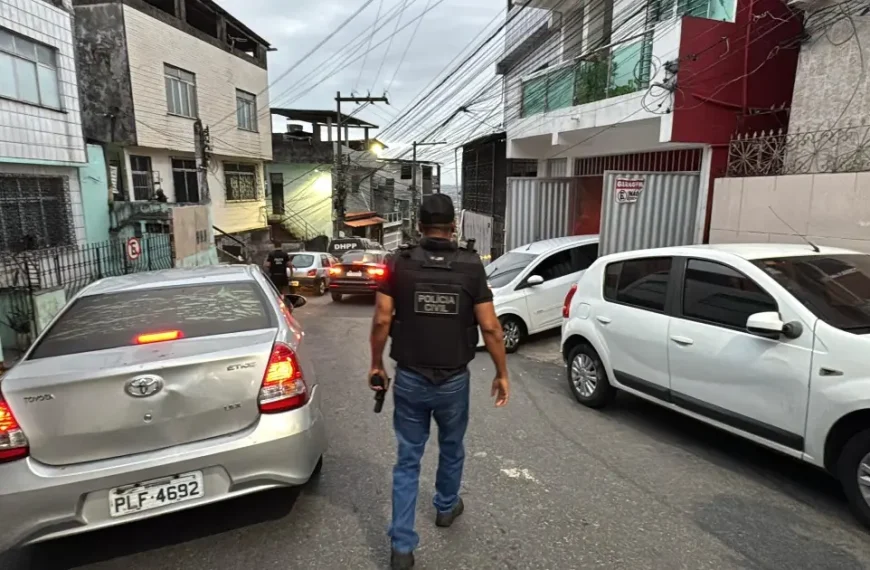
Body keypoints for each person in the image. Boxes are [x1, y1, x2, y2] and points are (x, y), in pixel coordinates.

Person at [369, 194, 510, 570]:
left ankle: (402, 548)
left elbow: (383, 320)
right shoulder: (470, 267)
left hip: (411, 378)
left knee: (407, 461)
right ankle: (446, 508)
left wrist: (375, 364)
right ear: (453, 227)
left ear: (418, 225)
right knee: (452, 446)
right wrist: (501, 373)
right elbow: (492, 328)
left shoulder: (398, 263)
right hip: (452, 382)